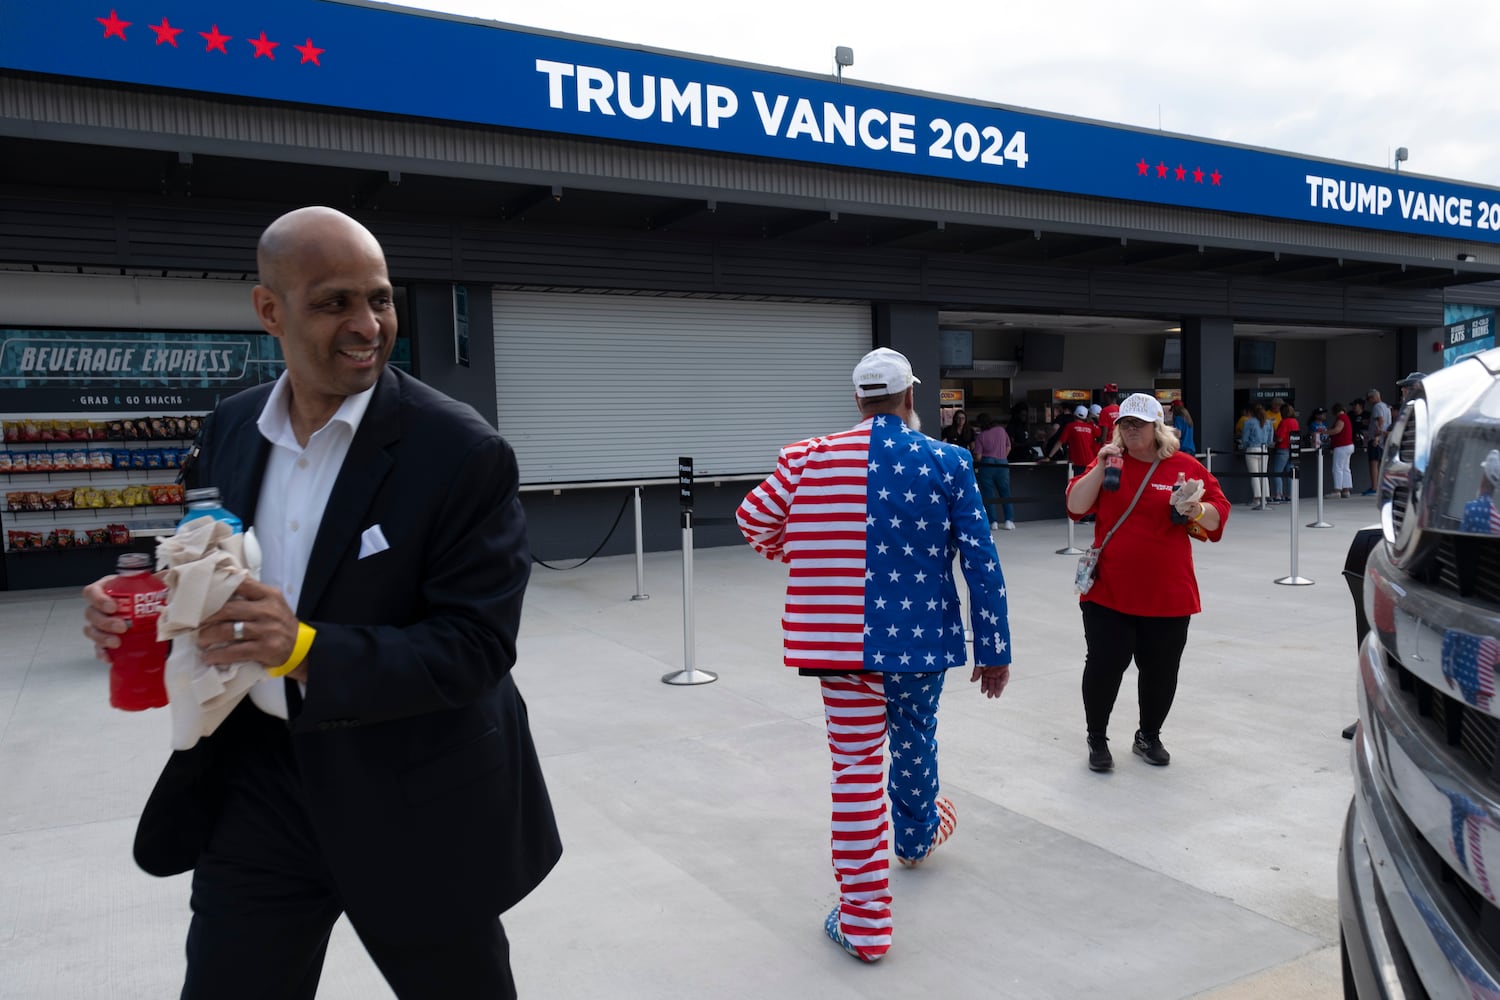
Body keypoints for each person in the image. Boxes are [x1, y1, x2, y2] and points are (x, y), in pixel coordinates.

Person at [80, 206, 561, 1000]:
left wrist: (303, 648)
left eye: (381, 299)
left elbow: (476, 646)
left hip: (414, 794)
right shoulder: (232, 427)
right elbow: (208, 559)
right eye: (334, 302)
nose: (368, 324)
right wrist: (140, 601)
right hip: (257, 787)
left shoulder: (461, 451)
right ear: (270, 310)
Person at [735, 347, 1012, 964]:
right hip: (918, 645)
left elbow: (753, 521)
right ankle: (916, 837)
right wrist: (993, 649)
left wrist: (810, 555)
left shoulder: (809, 458)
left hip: (839, 647)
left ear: (857, 399)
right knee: (916, 735)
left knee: (854, 769)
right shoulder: (947, 459)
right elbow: (980, 561)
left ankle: (864, 923)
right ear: (910, 397)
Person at [1064, 393, 1228, 771]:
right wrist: (1099, 466)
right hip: (1108, 590)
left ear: (1158, 427)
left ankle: (1148, 735)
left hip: (1167, 594)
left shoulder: (1183, 466)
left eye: (1139, 423)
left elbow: (1219, 514)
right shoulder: (1111, 464)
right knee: (1105, 666)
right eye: (1124, 423)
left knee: (1160, 671)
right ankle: (1097, 738)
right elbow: (1075, 506)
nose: (1130, 429)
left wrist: (1197, 509)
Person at [974, 411, 1015, 530]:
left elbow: (978, 457)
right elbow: (1009, 446)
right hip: (1002, 463)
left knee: (989, 493)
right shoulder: (1001, 430)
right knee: (1005, 493)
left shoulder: (980, 436)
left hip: (987, 464)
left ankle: (993, 522)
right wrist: (1002, 456)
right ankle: (1009, 520)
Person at [1239, 403, 1274, 509]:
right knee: (1264, 473)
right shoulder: (1268, 422)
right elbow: (1270, 440)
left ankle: (1257, 498)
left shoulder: (1249, 422)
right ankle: (1265, 497)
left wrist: (1243, 445)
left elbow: (1244, 438)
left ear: (1251, 412)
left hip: (1252, 449)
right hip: (1264, 449)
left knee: (1255, 475)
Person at [1049, 403, 1101, 475]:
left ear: (1074, 415)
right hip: (1091, 462)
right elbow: (1100, 437)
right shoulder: (1091, 427)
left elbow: (1060, 442)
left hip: (1077, 463)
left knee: (1078, 484)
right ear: (1085, 417)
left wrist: (1049, 456)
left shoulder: (1070, 426)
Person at [1269, 404, 1301, 503]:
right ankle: (1291, 495)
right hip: (1292, 449)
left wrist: (1273, 434)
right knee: (1290, 473)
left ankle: (1279, 495)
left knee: (1277, 472)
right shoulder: (1295, 421)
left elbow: (1280, 438)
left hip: (1282, 449)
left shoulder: (1284, 422)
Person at [1364, 389, 1392, 496]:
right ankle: (1380, 486)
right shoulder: (1386, 406)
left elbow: (1380, 421)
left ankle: (1374, 487)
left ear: (1374, 397)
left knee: (1373, 463)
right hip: (1383, 439)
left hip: (1377, 439)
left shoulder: (1377, 407)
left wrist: (1376, 437)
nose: (1369, 401)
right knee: (1381, 463)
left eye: (1369, 399)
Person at [1328, 402, 1355, 499]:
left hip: (1341, 446)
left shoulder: (1341, 418)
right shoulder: (1346, 417)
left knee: (1337, 468)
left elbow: (1337, 430)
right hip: (1349, 445)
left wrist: (1326, 432)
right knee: (1345, 468)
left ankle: (1337, 490)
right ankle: (1346, 489)